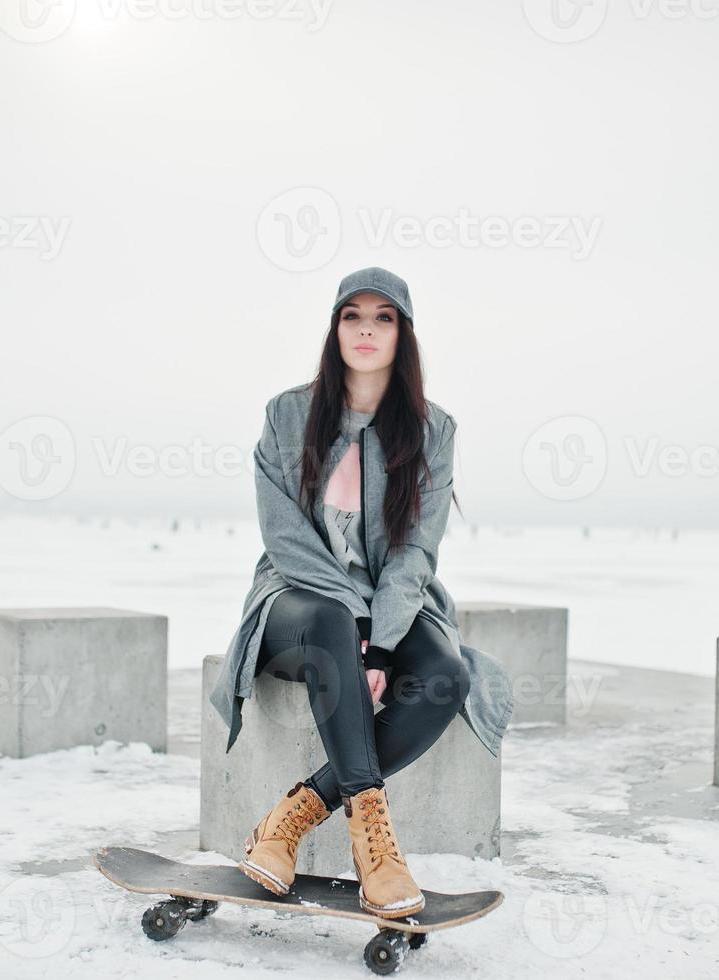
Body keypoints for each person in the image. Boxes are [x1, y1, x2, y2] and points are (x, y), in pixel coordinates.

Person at [206, 266, 514, 920]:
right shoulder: (288, 415)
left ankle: (292, 817)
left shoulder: (434, 430)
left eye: (384, 317)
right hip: (298, 602)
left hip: (398, 601)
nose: (367, 329)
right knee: (325, 614)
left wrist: (381, 646)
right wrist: (350, 623)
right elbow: (284, 535)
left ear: (403, 333)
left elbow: (415, 550)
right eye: (353, 315)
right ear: (334, 328)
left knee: (445, 675)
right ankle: (376, 849)